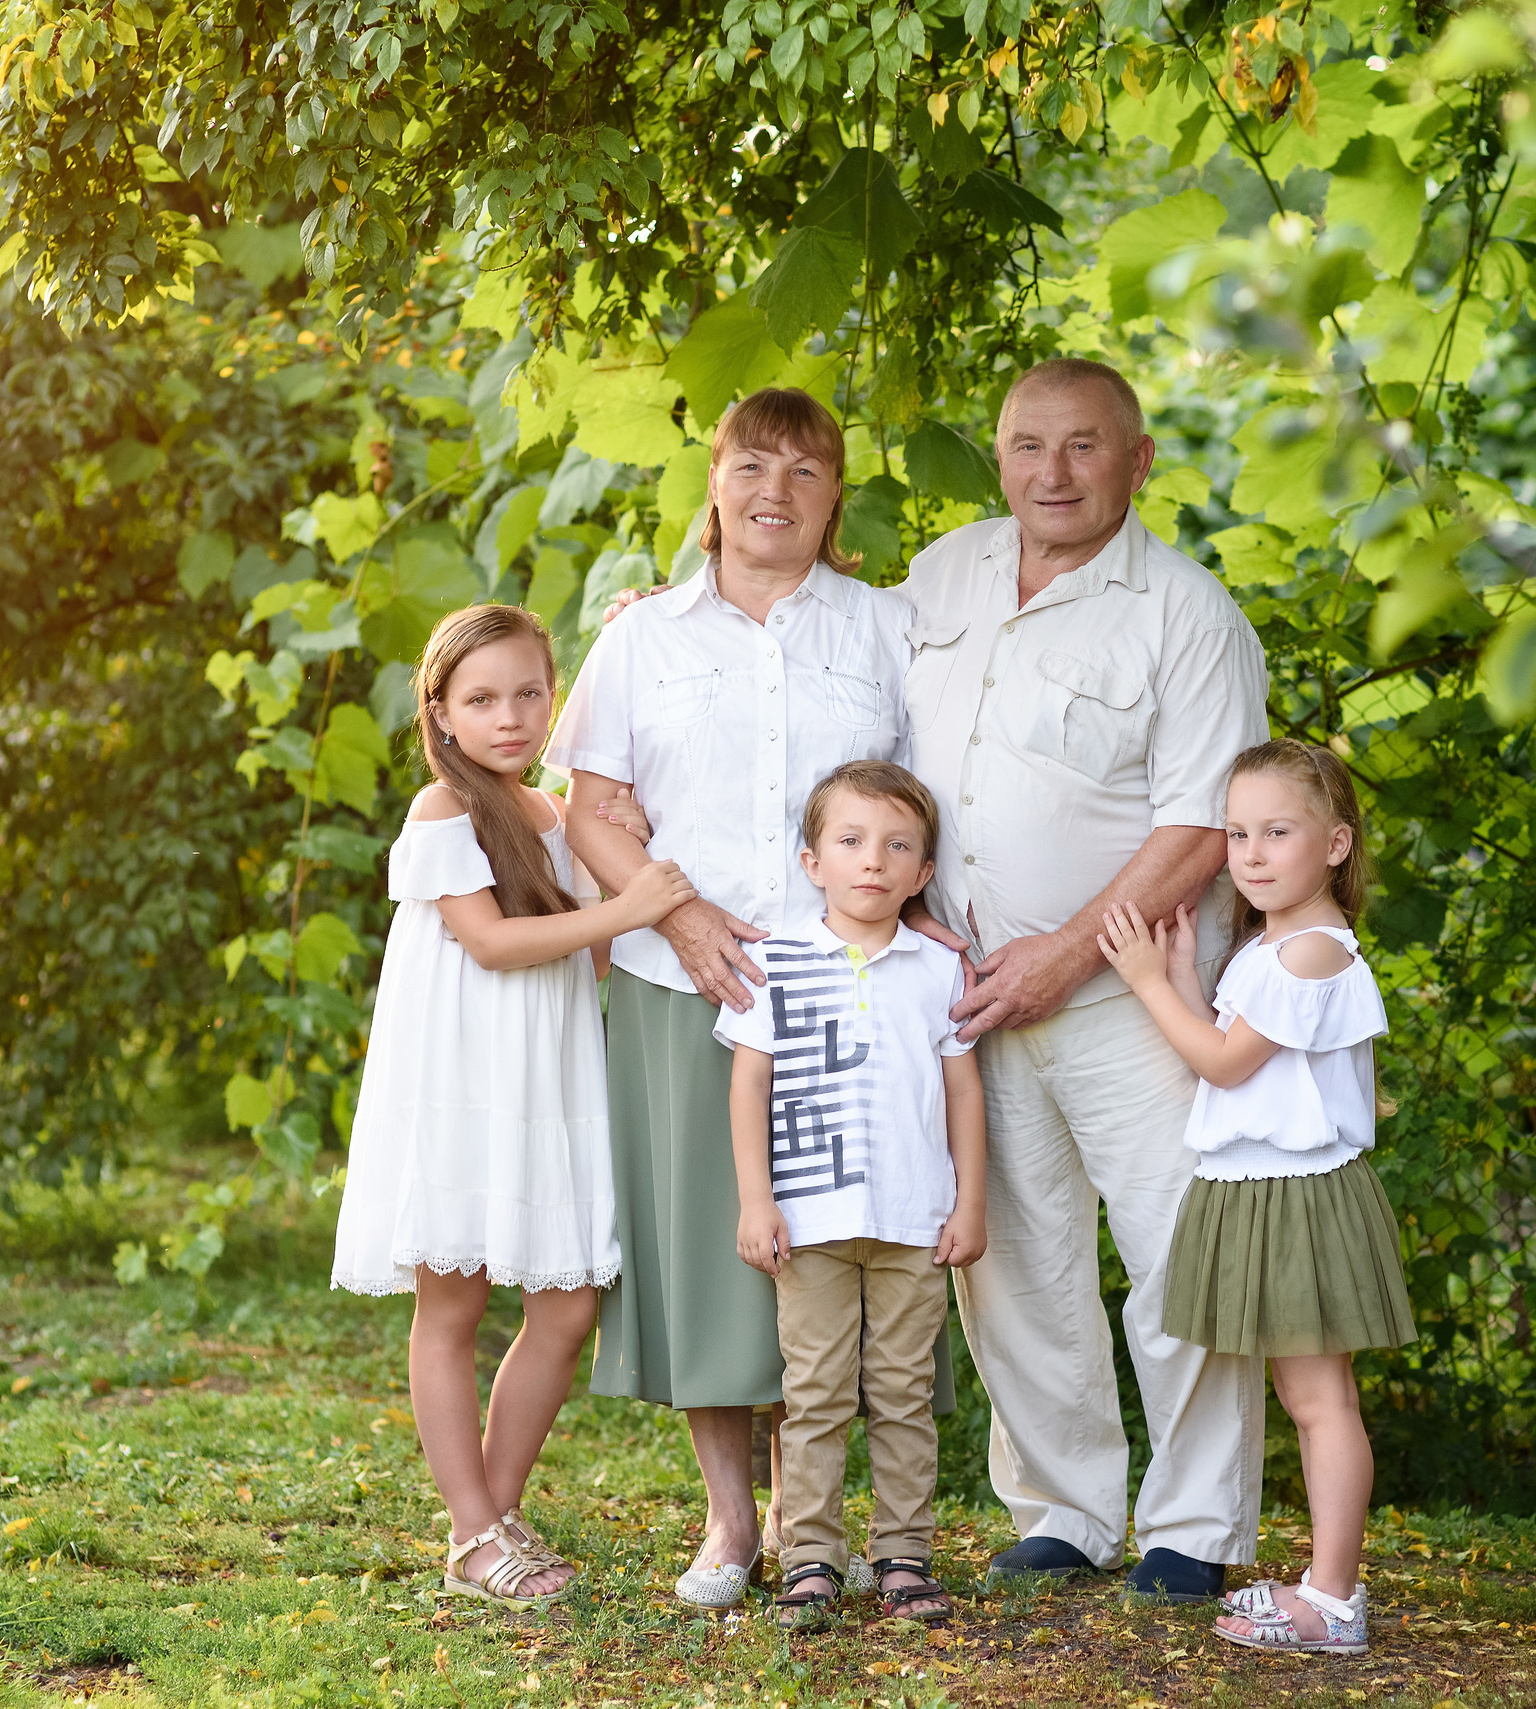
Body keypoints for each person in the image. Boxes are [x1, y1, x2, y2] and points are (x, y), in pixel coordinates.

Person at [899, 356, 1271, 1600]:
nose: (1049, 473)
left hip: (1135, 994)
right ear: (997, 453)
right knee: (1010, 1261)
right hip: (969, 992)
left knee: (1179, 1254)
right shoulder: (944, 572)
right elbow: (830, 658)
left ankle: (1196, 1527)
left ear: (1138, 457)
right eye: (1025, 445)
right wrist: (664, 597)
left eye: (1081, 446)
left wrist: (1066, 953)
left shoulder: (1187, 611)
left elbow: (1203, 827)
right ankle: (1062, 1507)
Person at [551, 387, 918, 1609]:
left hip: (850, 989)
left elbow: (929, 803)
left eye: (806, 473)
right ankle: (730, 1522)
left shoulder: (886, 628)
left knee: (834, 1255)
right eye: (752, 466)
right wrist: (679, 913)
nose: (776, 491)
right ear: (712, 486)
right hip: (683, 979)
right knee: (716, 1258)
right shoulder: (641, 637)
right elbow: (590, 807)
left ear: (834, 501)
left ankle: (812, 1521)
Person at [329, 604, 697, 1609]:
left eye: (530, 692)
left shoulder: (543, 811)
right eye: (481, 698)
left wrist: (622, 646)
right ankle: (478, 1528)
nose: (510, 715)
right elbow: (491, 942)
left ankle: (489, 1515)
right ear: (440, 713)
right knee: (452, 1301)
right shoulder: (441, 814)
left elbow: (596, 946)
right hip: (462, 1077)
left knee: (566, 1303)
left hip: (544, 1074)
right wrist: (628, 903)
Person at [1095, 738, 1415, 1655]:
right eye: (1238, 832)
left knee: (1321, 1402)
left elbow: (1224, 1064)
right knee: (1304, 1396)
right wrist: (1191, 979)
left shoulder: (1312, 953)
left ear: (1338, 844)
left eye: (1278, 830)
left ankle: (1334, 1597)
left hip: (1301, 1194)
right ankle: (1325, 1584)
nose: (1253, 852)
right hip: (1259, 1189)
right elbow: (1230, 1045)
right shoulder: (1267, 948)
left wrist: (1153, 983)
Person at [719, 761, 988, 1629]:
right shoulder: (775, 962)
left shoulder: (937, 969)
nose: (872, 860)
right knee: (818, 1391)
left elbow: (962, 1091)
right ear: (812, 861)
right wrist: (756, 1200)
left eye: (897, 845)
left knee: (904, 1390)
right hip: (812, 1218)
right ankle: (811, 1557)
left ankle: (903, 1552)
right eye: (850, 841)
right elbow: (748, 1087)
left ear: (922, 874)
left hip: (913, 1218)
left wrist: (970, 1200)